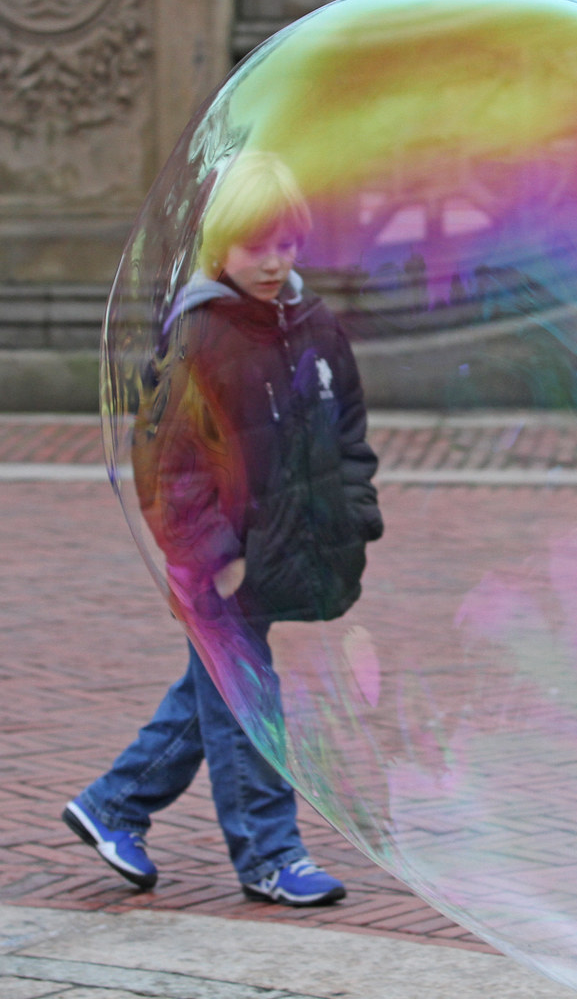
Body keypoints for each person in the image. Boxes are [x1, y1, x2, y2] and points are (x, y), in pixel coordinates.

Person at [63, 152, 383, 906]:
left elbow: (348, 433)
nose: (273, 262)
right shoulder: (200, 337)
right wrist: (215, 558)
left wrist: (355, 515)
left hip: (278, 549)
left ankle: (115, 804)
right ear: (218, 247)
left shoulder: (314, 325)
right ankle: (270, 854)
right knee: (249, 703)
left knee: (213, 687)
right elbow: (168, 466)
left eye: (286, 243)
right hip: (218, 564)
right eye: (254, 245)